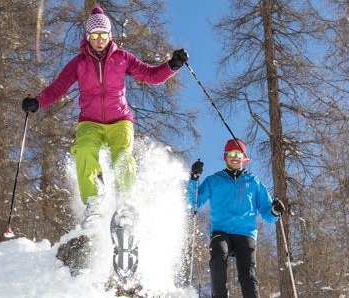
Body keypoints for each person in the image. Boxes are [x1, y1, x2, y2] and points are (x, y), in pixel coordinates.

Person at [22, 6, 188, 206]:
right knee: (83, 149)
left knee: (123, 157)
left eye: (103, 35)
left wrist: (172, 66)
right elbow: (58, 87)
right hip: (89, 122)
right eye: (94, 35)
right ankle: (93, 202)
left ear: (110, 35)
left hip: (120, 121)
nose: (99, 40)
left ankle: (127, 204)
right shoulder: (79, 63)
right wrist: (38, 101)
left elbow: (150, 75)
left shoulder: (122, 58)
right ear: (88, 37)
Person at [187, 138, 286, 298]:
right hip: (220, 231)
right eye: (231, 153)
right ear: (225, 156)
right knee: (217, 261)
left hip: (245, 233)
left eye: (238, 154)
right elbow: (193, 204)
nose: (235, 157)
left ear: (243, 158)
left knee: (247, 274)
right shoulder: (214, 180)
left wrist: (275, 210)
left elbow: (268, 214)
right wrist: (193, 179)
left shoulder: (253, 182)